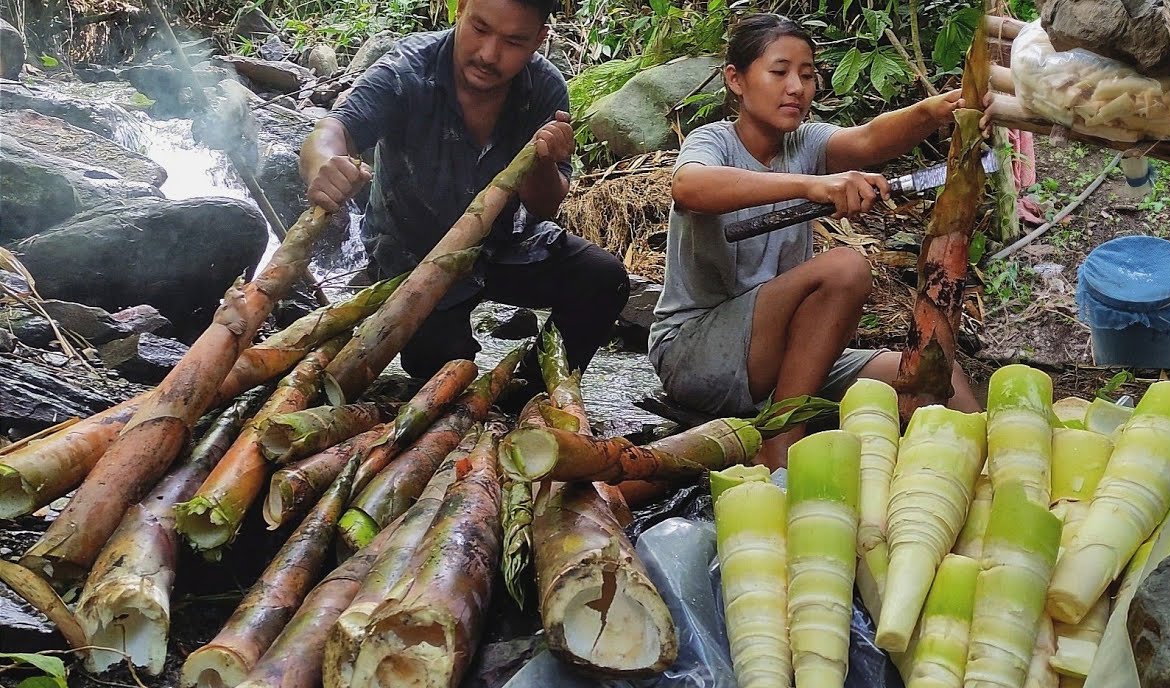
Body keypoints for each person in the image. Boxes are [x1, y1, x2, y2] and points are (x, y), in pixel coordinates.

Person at [649, 13, 983, 469]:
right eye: (779, 71)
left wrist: (931, 111)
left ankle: (990, 475)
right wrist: (808, 186)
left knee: (942, 376)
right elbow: (690, 187)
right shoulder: (714, 142)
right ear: (736, 80)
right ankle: (781, 438)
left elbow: (868, 140)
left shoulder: (805, 142)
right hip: (696, 354)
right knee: (845, 268)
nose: (796, 87)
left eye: (806, 75)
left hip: (784, 356)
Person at [299, 0, 628, 384]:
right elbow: (333, 130)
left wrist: (541, 161)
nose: (489, 54)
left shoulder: (545, 87)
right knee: (443, 373)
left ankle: (530, 396)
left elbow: (545, 204)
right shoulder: (407, 70)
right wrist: (323, 164)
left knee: (603, 279)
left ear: (539, 39)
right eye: (480, 29)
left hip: (504, 244)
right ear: (460, 9)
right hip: (414, 255)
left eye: (513, 41)